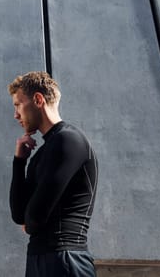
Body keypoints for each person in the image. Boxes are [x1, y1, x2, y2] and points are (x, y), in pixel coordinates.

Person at [8, 71, 98, 277]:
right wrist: (19, 162)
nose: (15, 115)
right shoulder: (41, 153)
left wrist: (30, 223)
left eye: (18, 105)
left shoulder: (69, 141)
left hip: (67, 259)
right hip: (39, 258)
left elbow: (34, 219)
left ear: (38, 99)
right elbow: (19, 215)